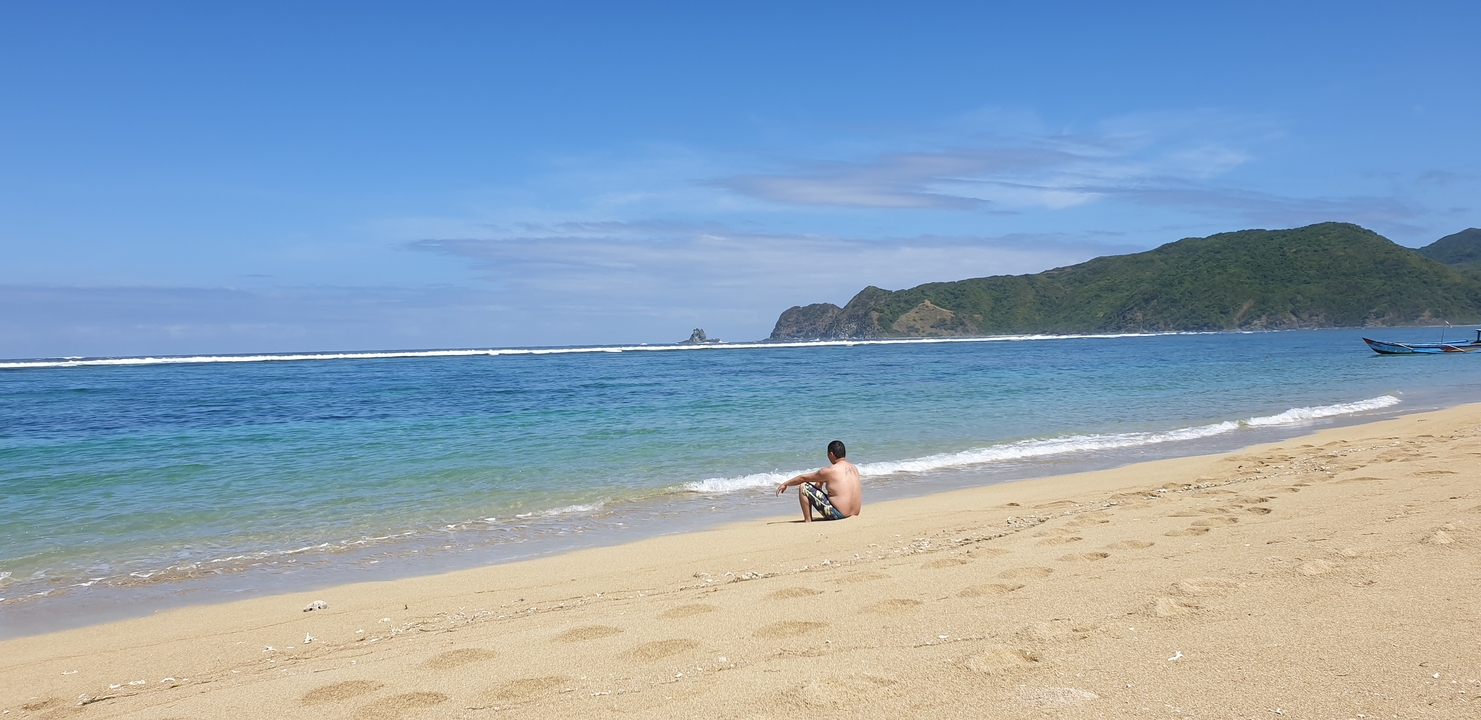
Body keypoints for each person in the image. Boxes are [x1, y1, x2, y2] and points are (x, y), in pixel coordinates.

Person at [775, 440, 861, 522]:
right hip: (854, 513)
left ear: (831, 454)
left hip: (838, 514)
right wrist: (820, 482)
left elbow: (803, 478)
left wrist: (785, 484)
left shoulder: (830, 470)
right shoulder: (854, 468)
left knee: (803, 486)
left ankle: (808, 520)